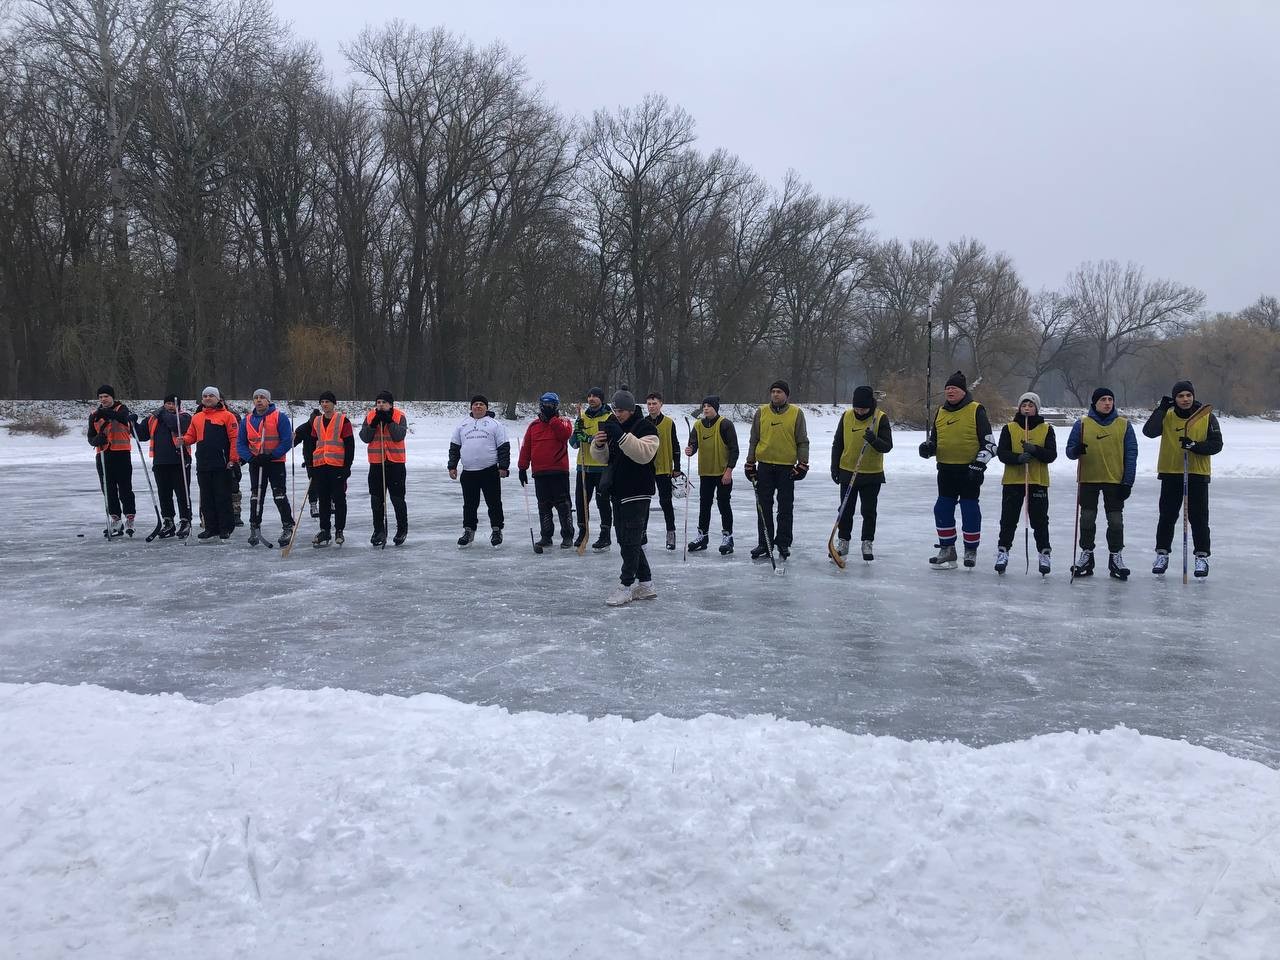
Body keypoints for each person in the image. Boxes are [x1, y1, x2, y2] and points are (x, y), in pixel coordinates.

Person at [1141, 380, 1223, 578]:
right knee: (1167, 516)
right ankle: (1162, 554)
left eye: (1188, 395)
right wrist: (1161, 409)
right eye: (1180, 396)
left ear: (1193, 396)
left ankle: (1201, 556)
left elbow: (1216, 445)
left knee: (1198, 517)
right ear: (1175, 398)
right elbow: (1149, 432)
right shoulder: (1167, 415)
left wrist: (1194, 445)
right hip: (1171, 472)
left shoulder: (1206, 416)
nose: (1185, 399)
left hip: (1197, 473)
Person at [918, 371, 996, 570]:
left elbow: (990, 445)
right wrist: (928, 448)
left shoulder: (976, 410)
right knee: (942, 508)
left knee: (969, 509)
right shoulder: (940, 412)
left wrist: (979, 464)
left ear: (963, 391)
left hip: (970, 470)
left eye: (954, 388)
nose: (949, 391)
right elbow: (935, 440)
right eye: (947, 388)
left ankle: (971, 549)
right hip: (945, 470)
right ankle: (947, 548)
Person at [591, 390, 660, 606]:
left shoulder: (646, 426)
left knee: (630, 540)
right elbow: (604, 459)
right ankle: (646, 584)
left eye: (620, 410)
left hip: (638, 490)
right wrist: (600, 444)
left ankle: (626, 585)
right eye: (615, 410)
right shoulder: (613, 425)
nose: (617, 414)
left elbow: (644, 454)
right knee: (626, 540)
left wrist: (620, 435)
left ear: (630, 410)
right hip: (618, 490)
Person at [1065, 386, 1137, 579]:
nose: (1107, 403)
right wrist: (1076, 450)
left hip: (1115, 480)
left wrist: (1127, 482)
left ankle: (1116, 556)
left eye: (1110, 399)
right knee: (1087, 518)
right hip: (1088, 479)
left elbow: (1131, 454)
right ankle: (1087, 555)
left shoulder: (1124, 425)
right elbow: (1069, 451)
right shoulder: (1082, 424)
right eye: (1103, 400)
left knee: (1115, 521)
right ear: (1094, 403)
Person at [744, 380, 809, 563]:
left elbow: (802, 440)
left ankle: (783, 542)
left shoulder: (796, 413)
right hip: (764, 466)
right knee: (763, 507)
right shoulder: (761, 412)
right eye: (773, 391)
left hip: (786, 467)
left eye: (779, 391)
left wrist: (803, 463)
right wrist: (750, 463)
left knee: (785, 507)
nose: (775, 394)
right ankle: (765, 543)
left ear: (786, 395)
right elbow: (753, 439)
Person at [994, 391, 1057, 574]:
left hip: (1037, 480)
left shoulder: (1046, 429)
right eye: (1024, 405)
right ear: (1019, 407)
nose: (1027, 408)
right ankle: (1003, 551)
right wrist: (1018, 458)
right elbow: (1002, 453)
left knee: (1039, 519)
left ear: (1036, 408)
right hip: (1013, 480)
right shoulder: (1010, 428)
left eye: (1031, 405)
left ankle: (1044, 553)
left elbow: (1051, 455)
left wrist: (1035, 450)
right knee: (1008, 518)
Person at [829, 385, 893, 562]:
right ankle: (843, 541)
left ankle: (867, 541)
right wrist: (835, 466)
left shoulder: (880, 418)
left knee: (868, 510)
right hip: (848, 470)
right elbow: (838, 443)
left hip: (872, 473)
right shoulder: (846, 416)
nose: (859, 411)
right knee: (845, 509)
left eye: (863, 408)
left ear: (870, 406)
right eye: (856, 407)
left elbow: (887, 446)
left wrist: (874, 440)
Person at [177, 386, 240, 541]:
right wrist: (184, 440)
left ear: (218, 398)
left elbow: (234, 438)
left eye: (211, 396)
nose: (207, 398)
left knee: (222, 496)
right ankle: (211, 528)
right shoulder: (197, 417)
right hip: (203, 463)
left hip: (222, 463)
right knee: (206, 497)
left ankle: (225, 528)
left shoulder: (227, 416)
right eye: (205, 396)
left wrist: (233, 459)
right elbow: (191, 435)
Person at [447, 395, 510, 546]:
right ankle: (469, 531)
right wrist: (452, 466)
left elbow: (503, 447)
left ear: (486, 408)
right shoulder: (462, 425)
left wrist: (503, 467)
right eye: (475, 404)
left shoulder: (495, 425)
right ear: (471, 407)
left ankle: (496, 530)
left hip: (489, 471)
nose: (478, 407)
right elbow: (455, 448)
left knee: (494, 503)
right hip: (469, 472)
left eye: (481, 404)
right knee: (469, 504)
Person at [237, 388, 294, 547]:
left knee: (279, 495)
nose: (259, 400)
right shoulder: (247, 420)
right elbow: (240, 443)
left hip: (274, 462)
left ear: (268, 400)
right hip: (256, 463)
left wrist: (272, 455)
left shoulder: (278, 417)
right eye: (256, 398)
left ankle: (287, 526)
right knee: (256, 496)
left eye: (262, 397)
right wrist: (250, 458)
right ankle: (254, 527)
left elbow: (286, 440)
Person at [518, 391, 575, 549]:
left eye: (551, 405)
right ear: (540, 406)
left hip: (559, 471)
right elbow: (526, 447)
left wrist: (553, 420)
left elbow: (565, 435)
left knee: (563, 505)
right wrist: (522, 468)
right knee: (544, 506)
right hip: (540, 472)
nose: (547, 408)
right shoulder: (534, 426)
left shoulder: (564, 422)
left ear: (556, 406)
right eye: (545, 405)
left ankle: (568, 535)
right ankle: (546, 536)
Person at [134, 394, 193, 539]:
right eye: (167, 404)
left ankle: (185, 521)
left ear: (178, 405)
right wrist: (133, 424)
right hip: (160, 462)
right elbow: (141, 435)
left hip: (179, 461)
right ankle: (168, 521)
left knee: (182, 494)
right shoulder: (153, 418)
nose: (170, 406)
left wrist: (163, 413)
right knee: (164, 494)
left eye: (173, 404)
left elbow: (175, 425)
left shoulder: (184, 417)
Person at [685, 395, 738, 555]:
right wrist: (690, 450)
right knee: (704, 505)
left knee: (723, 504)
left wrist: (729, 470)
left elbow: (734, 449)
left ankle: (728, 537)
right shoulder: (698, 425)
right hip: (706, 472)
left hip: (722, 473)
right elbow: (693, 445)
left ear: (715, 408)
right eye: (704, 406)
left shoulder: (725, 424)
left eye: (709, 406)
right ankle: (703, 536)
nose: (706, 408)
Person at [359, 390, 410, 547]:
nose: (380, 405)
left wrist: (389, 421)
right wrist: (374, 424)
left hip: (395, 463)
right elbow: (365, 437)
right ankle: (378, 530)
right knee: (376, 500)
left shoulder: (399, 416)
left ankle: (402, 529)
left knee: (397, 499)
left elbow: (398, 436)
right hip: (376, 463)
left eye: (384, 403)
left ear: (391, 404)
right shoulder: (369, 416)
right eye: (378, 402)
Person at [87, 385, 137, 538]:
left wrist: (106, 413)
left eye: (106, 397)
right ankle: (115, 518)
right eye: (101, 397)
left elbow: (122, 419)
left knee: (125, 488)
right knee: (108, 489)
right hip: (103, 455)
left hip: (121, 454)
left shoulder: (122, 409)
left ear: (112, 397)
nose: (103, 399)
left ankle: (130, 518)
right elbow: (90, 437)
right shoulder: (95, 415)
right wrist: (96, 440)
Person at [569, 387, 613, 550]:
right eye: (589, 396)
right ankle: (583, 532)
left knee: (603, 502)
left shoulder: (609, 417)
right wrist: (577, 434)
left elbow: (608, 440)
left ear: (601, 399)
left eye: (595, 396)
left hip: (602, 467)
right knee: (581, 502)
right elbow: (573, 444)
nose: (591, 398)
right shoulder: (582, 418)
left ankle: (605, 534)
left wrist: (588, 438)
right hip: (584, 468)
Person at [310, 391, 354, 547]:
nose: (324, 404)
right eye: (322, 402)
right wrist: (311, 465)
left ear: (334, 403)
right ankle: (325, 530)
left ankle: (339, 530)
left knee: (339, 499)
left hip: (337, 466)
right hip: (321, 465)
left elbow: (350, 445)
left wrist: (347, 467)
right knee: (323, 500)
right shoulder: (316, 421)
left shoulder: (343, 421)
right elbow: (312, 442)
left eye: (327, 401)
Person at [643, 393, 683, 550]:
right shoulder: (643, 422)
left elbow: (675, 444)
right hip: (646, 468)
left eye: (654, 403)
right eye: (649, 404)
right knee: (645, 501)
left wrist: (677, 467)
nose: (651, 406)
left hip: (664, 468)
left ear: (661, 404)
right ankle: (642, 533)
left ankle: (670, 533)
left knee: (666, 502)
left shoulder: (668, 423)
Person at [292, 408, 321, 518]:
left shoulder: (325, 425)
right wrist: (291, 438)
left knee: (328, 481)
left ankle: (331, 502)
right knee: (313, 483)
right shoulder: (304, 428)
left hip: (325, 458)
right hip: (310, 460)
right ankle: (313, 505)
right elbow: (293, 442)